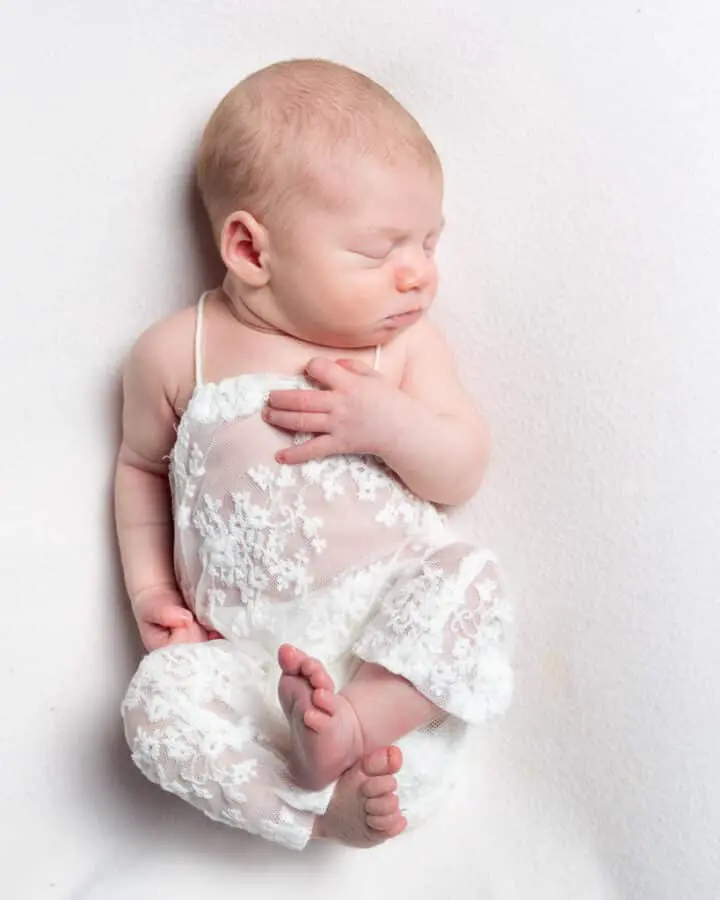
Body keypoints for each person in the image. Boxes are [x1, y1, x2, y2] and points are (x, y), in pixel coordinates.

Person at [117, 58, 513, 851]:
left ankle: (353, 724)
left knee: (471, 577)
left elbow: (461, 467)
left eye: (429, 242)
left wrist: (389, 425)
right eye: (379, 251)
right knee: (153, 705)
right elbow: (139, 471)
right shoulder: (176, 354)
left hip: (385, 650)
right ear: (250, 251)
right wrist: (151, 589)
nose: (419, 273)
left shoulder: (400, 353)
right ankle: (308, 806)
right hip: (251, 677)